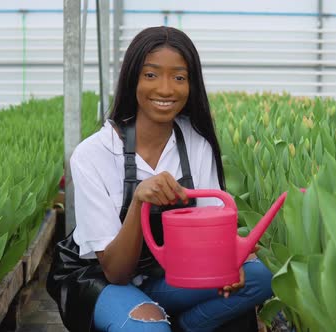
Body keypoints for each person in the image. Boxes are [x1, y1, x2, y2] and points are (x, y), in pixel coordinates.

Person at [48, 26, 273, 332]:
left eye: (179, 77)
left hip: (167, 275)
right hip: (102, 279)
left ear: (191, 84)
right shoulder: (94, 154)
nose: (166, 89)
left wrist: (228, 261)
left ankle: (186, 326)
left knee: (261, 275)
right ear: (132, 80)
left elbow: (209, 233)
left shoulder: (196, 144)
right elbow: (116, 272)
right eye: (151, 75)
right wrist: (139, 198)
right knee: (148, 328)